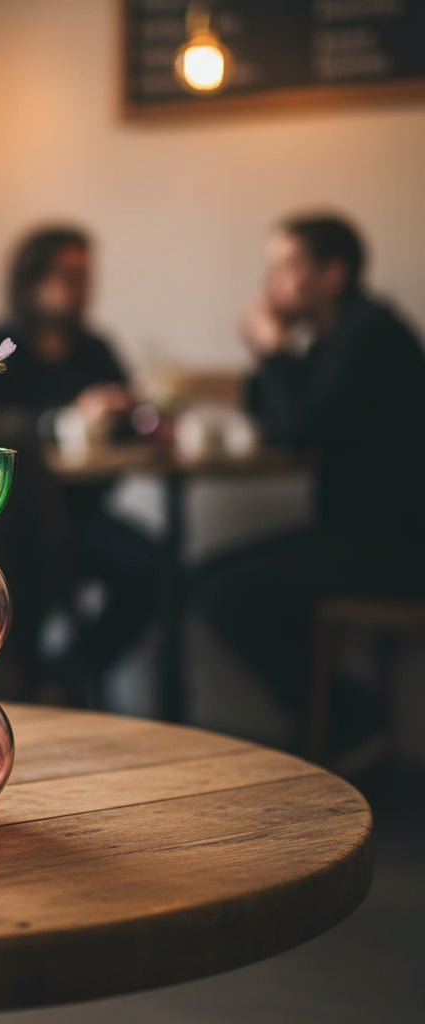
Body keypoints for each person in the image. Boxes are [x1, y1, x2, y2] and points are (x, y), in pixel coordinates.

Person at [196, 212, 425, 751]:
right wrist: (267, 353)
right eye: (270, 269)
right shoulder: (337, 336)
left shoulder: (369, 336)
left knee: (219, 590)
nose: (272, 283)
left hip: (393, 546)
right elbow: (275, 421)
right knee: (210, 581)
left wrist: (274, 350)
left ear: (332, 274)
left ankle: (347, 719)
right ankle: (341, 718)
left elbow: (296, 428)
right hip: (362, 535)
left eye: (288, 267)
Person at [0, 225, 163, 705]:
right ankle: (33, 685)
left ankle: (71, 678)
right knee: (23, 575)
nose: (80, 290)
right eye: (67, 276)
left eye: (85, 277)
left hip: (81, 513)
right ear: (32, 281)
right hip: (13, 520)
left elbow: (130, 424)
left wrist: (135, 417)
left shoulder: (94, 347)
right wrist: (70, 419)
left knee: (158, 570)